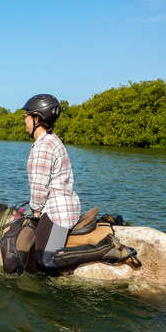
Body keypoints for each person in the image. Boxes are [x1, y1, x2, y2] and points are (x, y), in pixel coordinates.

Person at [23, 94, 137, 271]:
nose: (25, 119)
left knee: (44, 261)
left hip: (57, 211)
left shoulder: (43, 147)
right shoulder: (52, 140)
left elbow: (39, 187)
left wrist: (35, 212)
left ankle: (105, 248)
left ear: (37, 118)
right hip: (63, 205)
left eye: (27, 115)